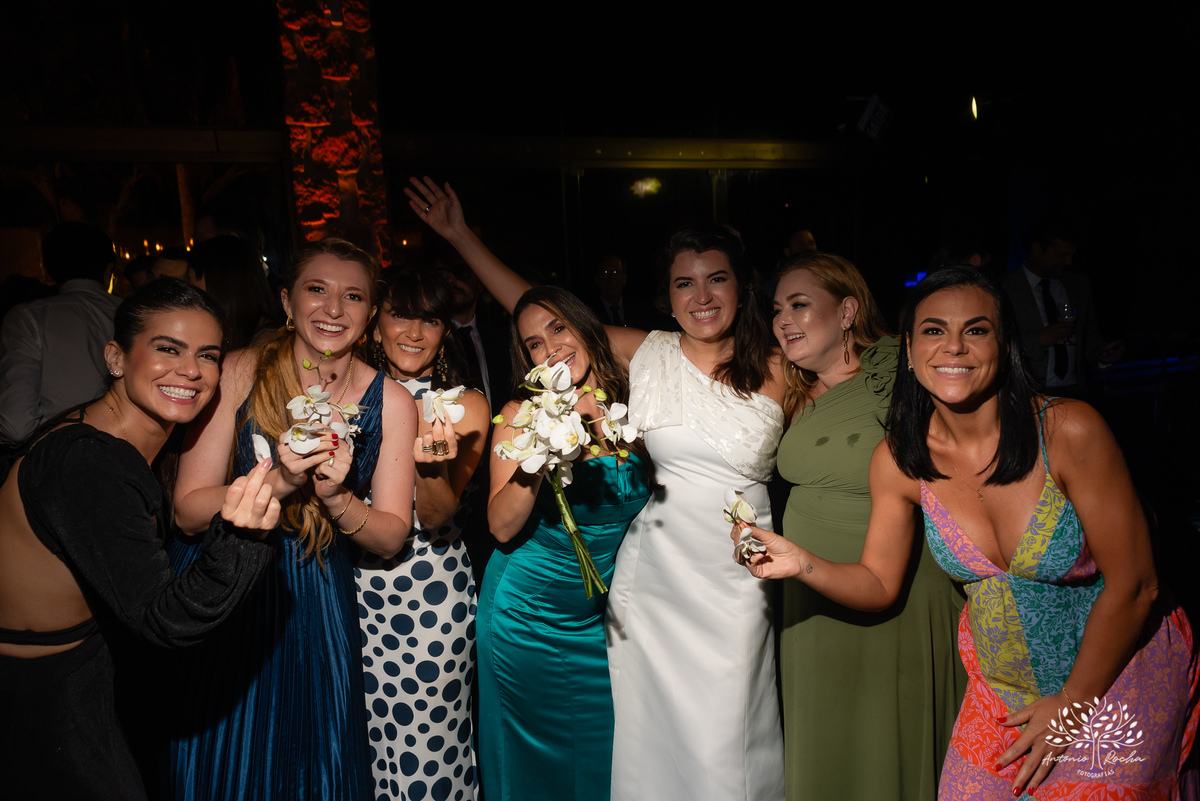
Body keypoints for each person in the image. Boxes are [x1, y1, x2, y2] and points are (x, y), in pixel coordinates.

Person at [736, 266, 1200, 799]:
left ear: (1004, 346)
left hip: (1116, 679)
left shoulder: (1068, 429)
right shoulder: (899, 459)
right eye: (934, 331)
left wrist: (1071, 708)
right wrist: (800, 562)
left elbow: (1137, 584)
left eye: (975, 330)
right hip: (1000, 695)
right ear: (908, 349)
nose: (953, 347)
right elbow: (879, 583)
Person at [405, 176, 787, 801]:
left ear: (742, 285)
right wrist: (460, 236)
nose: (701, 295)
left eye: (716, 278)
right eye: (683, 282)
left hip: (658, 594)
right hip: (562, 605)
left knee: (688, 741)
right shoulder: (594, 381)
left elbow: (552, 324)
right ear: (664, 297)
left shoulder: (662, 380)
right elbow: (533, 313)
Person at [0, 279, 279, 800]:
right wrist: (243, 536)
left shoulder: (121, 440)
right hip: (41, 705)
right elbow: (166, 618)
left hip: (85, 675)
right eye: (167, 349)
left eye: (208, 355)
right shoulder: (87, 464)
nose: (191, 370)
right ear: (115, 357)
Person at [166, 238, 418, 800]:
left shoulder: (392, 401)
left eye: (352, 296)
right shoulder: (238, 372)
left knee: (315, 761)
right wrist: (278, 480)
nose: (333, 309)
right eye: (317, 290)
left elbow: (391, 534)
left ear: (371, 314)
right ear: (287, 300)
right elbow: (186, 509)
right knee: (227, 761)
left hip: (315, 592)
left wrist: (334, 498)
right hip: (227, 585)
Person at [768, 252, 965, 800]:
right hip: (809, 593)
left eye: (800, 305)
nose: (783, 319)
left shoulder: (900, 370)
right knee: (827, 737)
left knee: (889, 736)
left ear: (848, 309)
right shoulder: (785, 388)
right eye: (777, 308)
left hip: (898, 587)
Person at [477, 285, 652, 801]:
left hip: (597, 621)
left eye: (557, 327)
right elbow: (501, 527)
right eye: (533, 342)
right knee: (532, 769)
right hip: (526, 617)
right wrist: (542, 456)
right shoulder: (521, 415)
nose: (549, 347)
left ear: (584, 324)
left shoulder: (634, 399)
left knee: (602, 761)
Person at [358, 265, 489, 801]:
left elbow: (435, 516)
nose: (413, 332)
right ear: (373, 324)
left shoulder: (465, 403)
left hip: (428, 595)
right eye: (400, 314)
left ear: (444, 333)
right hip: (354, 589)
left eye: (429, 319)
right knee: (365, 749)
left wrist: (430, 468)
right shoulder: (348, 394)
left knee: (429, 750)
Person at [0, 221, 121, 447]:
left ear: (48, 270)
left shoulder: (28, 318)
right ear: (108, 270)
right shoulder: (136, 312)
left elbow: (15, 425)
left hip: (56, 460)